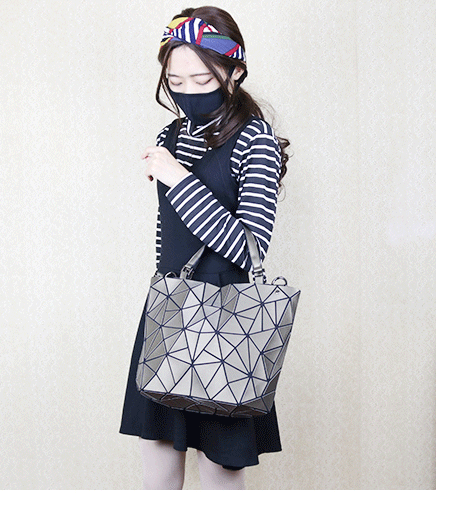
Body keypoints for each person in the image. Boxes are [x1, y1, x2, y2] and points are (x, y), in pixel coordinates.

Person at [118, 6, 290, 490]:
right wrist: (165, 291)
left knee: (219, 477)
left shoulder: (255, 140)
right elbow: (168, 237)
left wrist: (178, 178)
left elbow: (249, 248)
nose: (187, 92)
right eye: (176, 81)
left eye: (202, 79)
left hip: (229, 323)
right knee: (156, 473)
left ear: (235, 72)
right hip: (169, 310)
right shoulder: (169, 135)